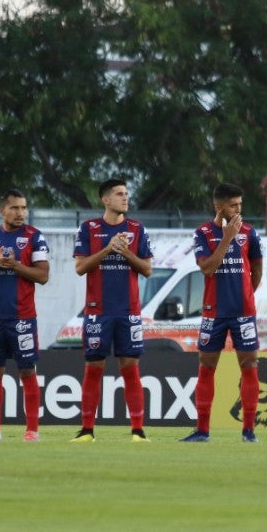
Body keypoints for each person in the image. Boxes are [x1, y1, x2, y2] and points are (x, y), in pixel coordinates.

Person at [71, 179, 153, 443]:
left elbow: (148, 269)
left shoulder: (137, 229)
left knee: (130, 368)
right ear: (106, 200)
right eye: (119, 194)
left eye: (127, 194)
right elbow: (80, 267)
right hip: (98, 311)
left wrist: (126, 253)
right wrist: (108, 249)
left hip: (128, 311)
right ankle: (87, 431)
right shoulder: (89, 229)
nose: (125, 198)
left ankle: (138, 431)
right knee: (93, 368)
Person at [181, 183, 263, 443]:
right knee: (206, 367)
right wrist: (227, 237)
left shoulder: (250, 233)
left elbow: (257, 270)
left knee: (249, 366)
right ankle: (202, 431)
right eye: (233, 205)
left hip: (243, 311)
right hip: (213, 312)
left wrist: (246, 293)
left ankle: (249, 432)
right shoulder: (203, 233)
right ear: (219, 207)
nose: (239, 210)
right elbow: (207, 268)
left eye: (240, 204)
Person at [0, 189, 50, 442]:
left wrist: (15, 265)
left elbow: (43, 276)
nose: (21, 213)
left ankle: (32, 431)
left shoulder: (34, 237)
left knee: (27, 371)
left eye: (24, 208)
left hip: (23, 318)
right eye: (15, 208)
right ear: (2, 210)